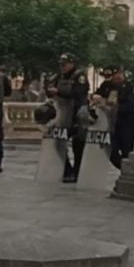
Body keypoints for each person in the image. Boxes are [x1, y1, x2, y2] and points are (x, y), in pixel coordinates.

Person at [46, 53, 89, 183]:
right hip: (63, 114)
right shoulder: (59, 76)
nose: (62, 67)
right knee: (57, 142)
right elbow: (50, 90)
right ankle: (67, 171)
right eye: (61, 65)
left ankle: (77, 172)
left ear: (72, 63)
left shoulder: (79, 76)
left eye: (64, 64)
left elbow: (79, 92)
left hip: (77, 114)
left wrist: (59, 92)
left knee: (78, 144)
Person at [92, 66, 134, 169]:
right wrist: (95, 97)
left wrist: (110, 107)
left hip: (126, 123)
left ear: (120, 74)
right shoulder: (107, 85)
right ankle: (123, 168)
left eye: (114, 75)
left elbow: (130, 106)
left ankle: (127, 173)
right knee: (111, 151)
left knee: (127, 151)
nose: (112, 79)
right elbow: (97, 94)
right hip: (110, 124)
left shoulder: (129, 87)